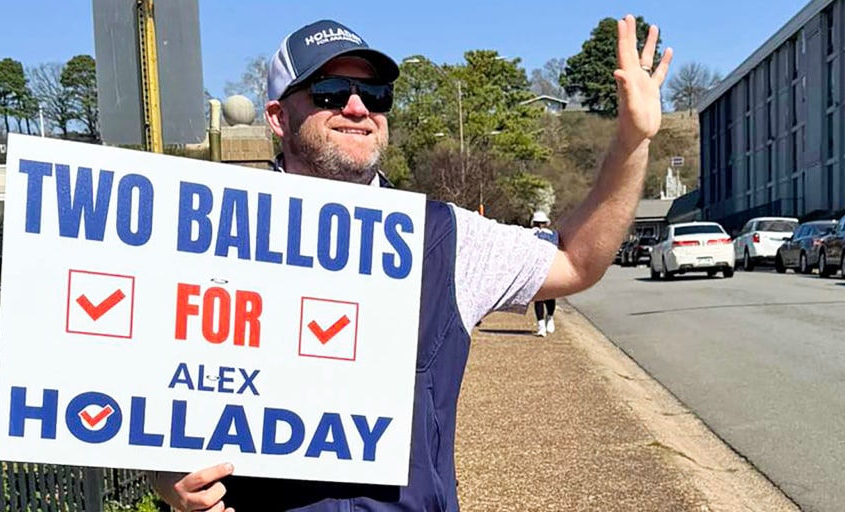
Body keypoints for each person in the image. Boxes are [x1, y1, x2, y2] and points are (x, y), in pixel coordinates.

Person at [150, 15, 672, 512]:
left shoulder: (442, 235)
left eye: (375, 95)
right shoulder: (210, 238)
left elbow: (574, 260)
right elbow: (140, 392)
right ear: (277, 117)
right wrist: (163, 477)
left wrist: (632, 142)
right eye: (330, 91)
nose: (358, 107)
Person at [530, 211, 559, 337]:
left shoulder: (552, 235)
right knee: (539, 298)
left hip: (549, 268)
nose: (540, 226)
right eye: (538, 223)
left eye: (542, 223)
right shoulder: (530, 234)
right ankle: (541, 326)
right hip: (536, 269)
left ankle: (550, 317)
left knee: (550, 297)